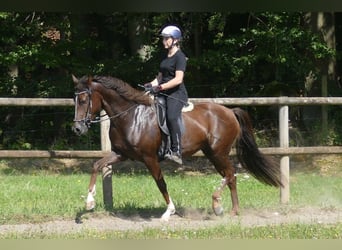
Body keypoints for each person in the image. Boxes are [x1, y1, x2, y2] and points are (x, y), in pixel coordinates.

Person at [144, 25, 188, 165]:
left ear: (175, 40)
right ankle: (162, 148)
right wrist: (150, 85)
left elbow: (178, 79)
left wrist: (160, 87)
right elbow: (160, 77)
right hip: (163, 92)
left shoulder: (180, 57)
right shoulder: (165, 57)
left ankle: (176, 151)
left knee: (171, 116)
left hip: (176, 93)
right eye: (163, 38)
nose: (164, 41)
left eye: (166, 39)